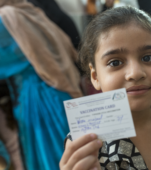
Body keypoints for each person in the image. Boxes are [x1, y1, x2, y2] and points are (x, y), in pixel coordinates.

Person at [60, 6, 151, 170]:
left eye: (148, 57)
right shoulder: (86, 145)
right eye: (115, 62)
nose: (135, 73)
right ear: (95, 77)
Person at [0, 0, 82, 169]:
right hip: (57, 91)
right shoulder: (27, 10)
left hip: (36, 101)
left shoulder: (6, 17)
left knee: (53, 158)